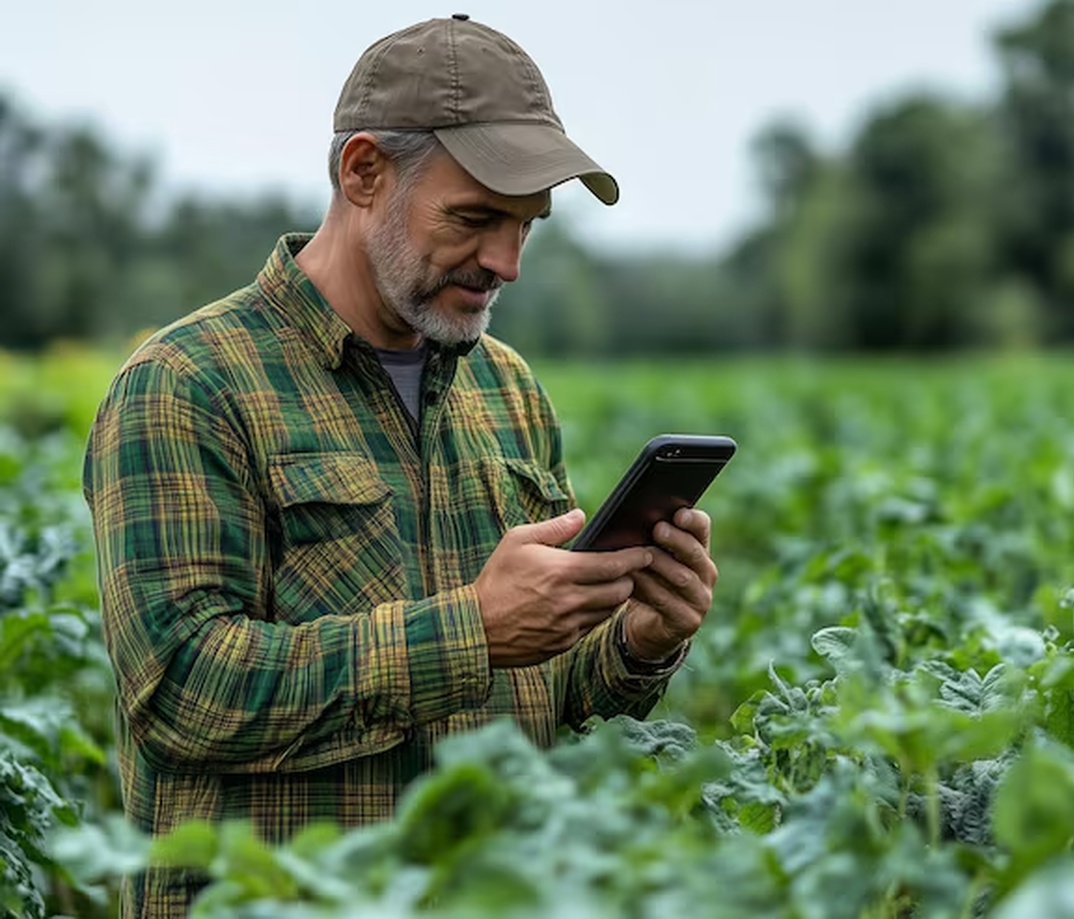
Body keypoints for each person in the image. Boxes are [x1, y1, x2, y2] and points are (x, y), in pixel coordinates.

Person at [82, 16, 716, 919]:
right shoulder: (186, 385)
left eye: (527, 225)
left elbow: (550, 700)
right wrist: (470, 630)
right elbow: (184, 689)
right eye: (474, 218)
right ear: (363, 173)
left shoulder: (509, 391)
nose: (506, 261)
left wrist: (639, 642)